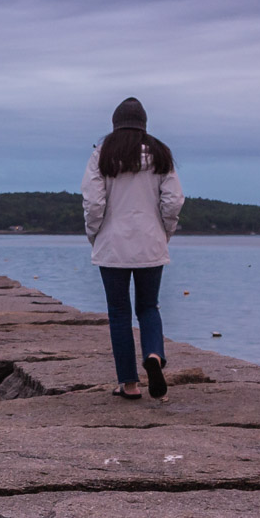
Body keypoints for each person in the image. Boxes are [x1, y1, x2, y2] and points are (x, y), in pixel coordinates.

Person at [81, 97, 184, 399]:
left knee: (119, 313)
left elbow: (93, 203)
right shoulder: (161, 155)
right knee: (149, 307)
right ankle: (153, 355)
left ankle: (129, 384)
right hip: (151, 244)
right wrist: (164, 231)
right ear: (144, 125)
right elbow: (174, 201)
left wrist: (94, 234)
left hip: (112, 246)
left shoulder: (102, 155)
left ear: (115, 124)